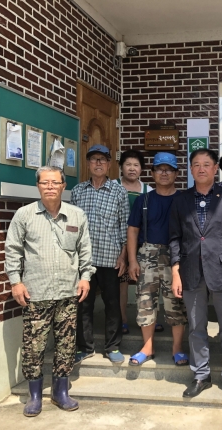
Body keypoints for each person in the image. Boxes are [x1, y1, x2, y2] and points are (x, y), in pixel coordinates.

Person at [5, 166, 96, 417]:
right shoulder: (24, 215)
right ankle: (34, 395)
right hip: (36, 292)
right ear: (38, 186)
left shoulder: (76, 215)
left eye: (55, 182)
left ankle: (60, 392)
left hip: (68, 291)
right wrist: (16, 281)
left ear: (63, 186)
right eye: (45, 182)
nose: (50, 187)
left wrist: (85, 277)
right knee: (33, 346)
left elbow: (85, 250)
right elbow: (13, 249)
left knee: (66, 345)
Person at [170, 148, 222, 400]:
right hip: (190, 270)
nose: (201, 168)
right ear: (191, 169)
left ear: (215, 169)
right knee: (196, 327)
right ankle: (201, 375)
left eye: (206, 164)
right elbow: (175, 238)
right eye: (196, 164)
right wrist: (175, 270)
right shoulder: (180, 200)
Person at [127, 152, 188, 366]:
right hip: (147, 255)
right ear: (152, 173)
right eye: (159, 169)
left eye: (169, 169)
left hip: (176, 258)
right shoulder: (143, 200)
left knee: (176, 303)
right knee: (145, 302)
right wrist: (132, 260)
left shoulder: (184, 200)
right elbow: (133, 230)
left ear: (176, 174)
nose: (164, 173)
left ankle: (177, 347)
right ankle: (147, 347)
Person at [71, 144, 129, 364]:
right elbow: (71, 227)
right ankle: (85, 347)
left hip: (110, 258)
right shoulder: (78, 191)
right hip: (83, 260)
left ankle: (113, 346)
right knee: (83, 304)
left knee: (112, 304)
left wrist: (123, 256)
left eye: (102, 160)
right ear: (88, 164)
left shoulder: (119, 192)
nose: (98, 163)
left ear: (109, 165)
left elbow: (124, 226)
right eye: (94, 159)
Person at [113, 149, 154, 335]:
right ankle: (122, 319)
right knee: (121, 283)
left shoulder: (148, 191)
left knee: (143, 282)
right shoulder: (112, 187)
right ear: (121, 167)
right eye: (128, 164)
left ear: (141, 169)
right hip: (117, 243)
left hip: (141, 242)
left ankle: (146, 320)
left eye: (136, 165)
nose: (132, 168)